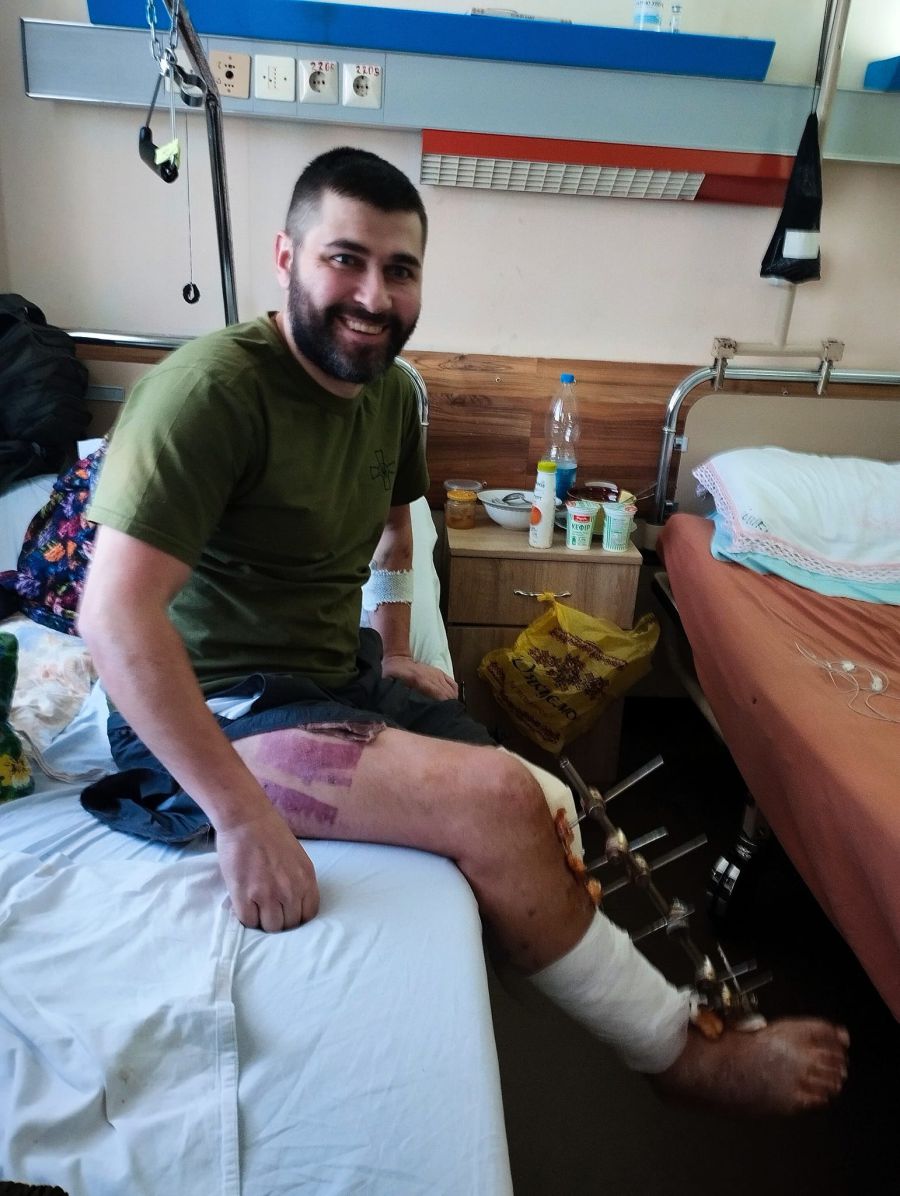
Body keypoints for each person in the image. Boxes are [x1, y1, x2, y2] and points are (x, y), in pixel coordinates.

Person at [78, 146, 848, 1116]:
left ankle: (576, 974)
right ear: (284, 256)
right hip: (213, 709)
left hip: (332, 680)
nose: (373, 295)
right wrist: (239, 817)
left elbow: (397, 533)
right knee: (497, 798)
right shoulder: (211, 395)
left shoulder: (390, 394)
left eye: (399, 269)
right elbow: (112, 616)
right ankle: (680, 1060)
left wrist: (396, 647)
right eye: (345, 259)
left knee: (552, 803)